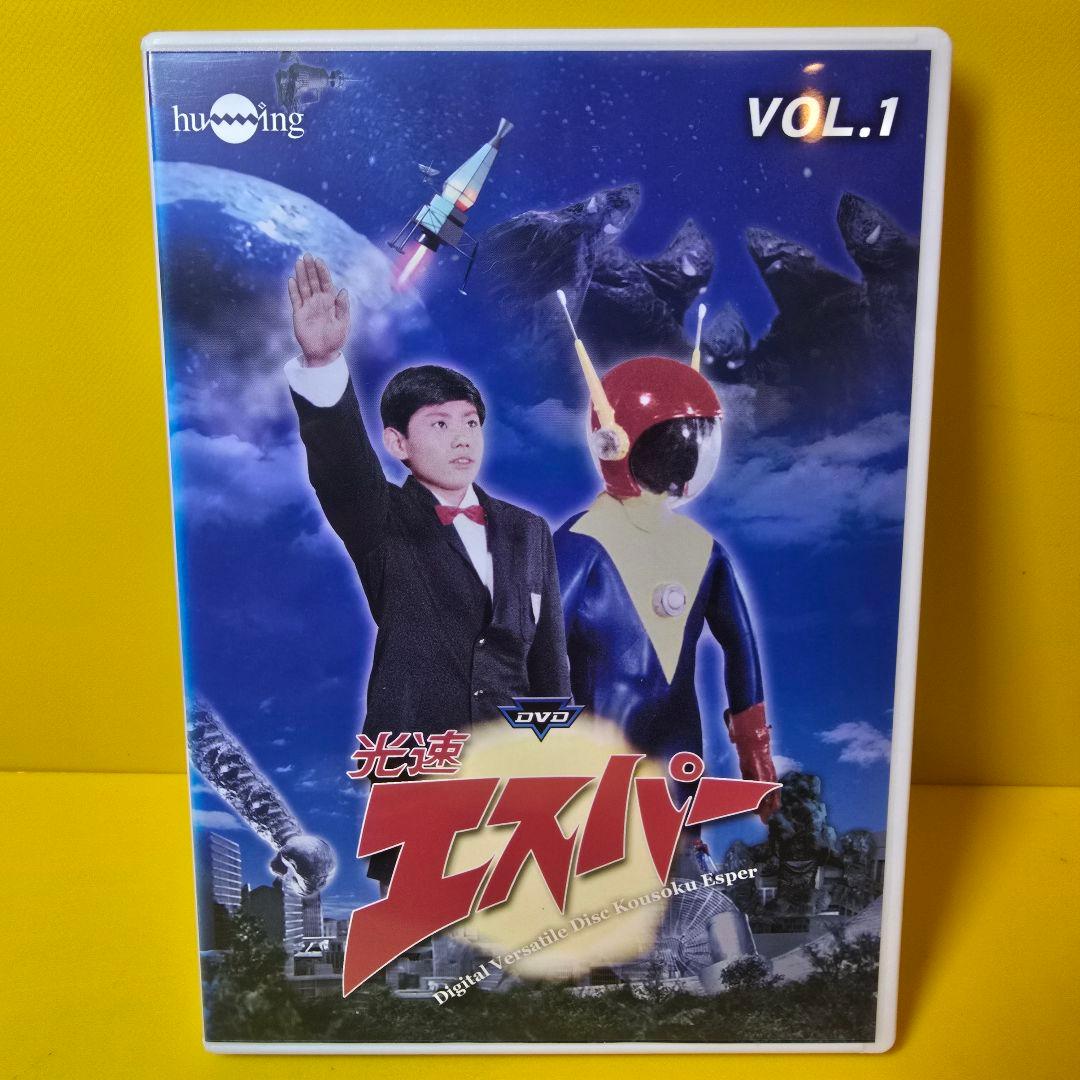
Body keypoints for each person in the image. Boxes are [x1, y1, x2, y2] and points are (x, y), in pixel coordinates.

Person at [284, 253, 571, 875]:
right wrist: (323, 364)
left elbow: (550, 663)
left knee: (525, 929)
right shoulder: (382, 519)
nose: (463, 437)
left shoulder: (529, 531)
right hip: (419, 777)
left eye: (471, 422)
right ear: (398, 443)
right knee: (425, 934)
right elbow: (342, 467)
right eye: (439, 424)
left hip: (516, 788)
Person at [552, 297, 780, 823]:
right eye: (677, 441)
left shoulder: (702, 549)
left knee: (677, 849)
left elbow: (740, 647)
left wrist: (757, 753)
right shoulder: (583, 540)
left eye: (698, 438)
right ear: (614, 442)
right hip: (593, 756)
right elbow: (534, 650)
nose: (687, 456)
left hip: (678, 752)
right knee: (605, 852)